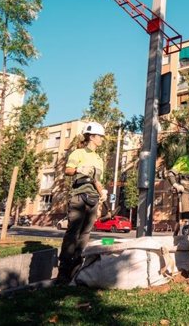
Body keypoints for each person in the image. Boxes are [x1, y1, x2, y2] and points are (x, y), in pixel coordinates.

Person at [57, 121, 108, 284]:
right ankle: (63, 273)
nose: (102, 139)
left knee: (85, 235)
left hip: (93, 199)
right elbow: (68, 170)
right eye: (100, 136)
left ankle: (76, 270)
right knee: (73, 233)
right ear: (92, 137)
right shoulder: (78, 153)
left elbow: (96, 181)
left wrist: (103, 193)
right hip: (79, 197)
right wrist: (79, 169)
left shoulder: (99, 159)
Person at [166, 135, 189, 234]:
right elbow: (171, 174)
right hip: (185, 190)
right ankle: (177, 236)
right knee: (184, 216)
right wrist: (176, 185)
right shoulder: (183, 160)